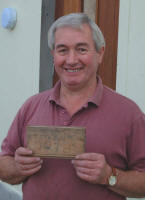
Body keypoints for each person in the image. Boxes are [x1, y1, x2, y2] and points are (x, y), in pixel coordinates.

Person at [0, 13, 145, 200]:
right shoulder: (31, 106)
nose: (71, 60)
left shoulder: (128, 113)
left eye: (81, 49)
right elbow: (4, 164)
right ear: (53, 55)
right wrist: (17, 168)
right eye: (62, 50)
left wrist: (109, 176)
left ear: (100, 54)